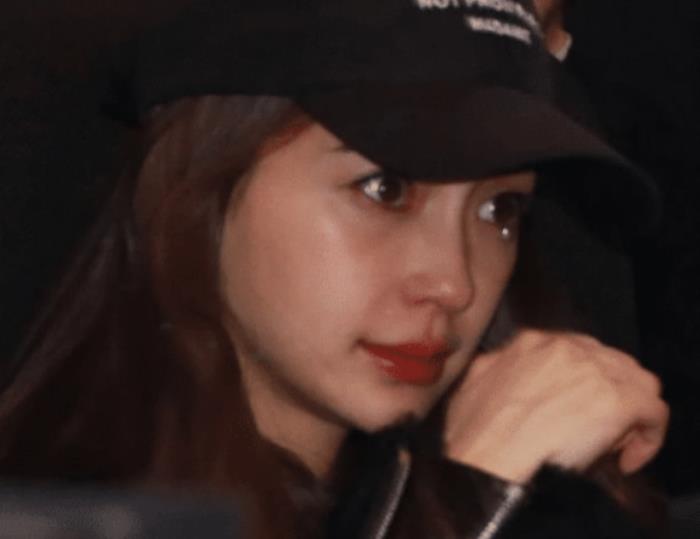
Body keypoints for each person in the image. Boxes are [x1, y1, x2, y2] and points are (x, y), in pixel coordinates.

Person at [0, 1, 669, 537]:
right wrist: (476, 500)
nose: (455, 283)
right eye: (384, 189)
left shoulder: (528, 493)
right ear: (199, 192)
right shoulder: (60, 513)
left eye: (501, 209)